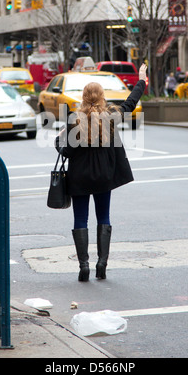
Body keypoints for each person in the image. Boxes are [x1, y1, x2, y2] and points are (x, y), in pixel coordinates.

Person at [54, 64, 147, 282]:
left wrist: (58, 140)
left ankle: (83, 265)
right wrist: (141, 79)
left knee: (80, 218)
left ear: (84, 97)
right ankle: (102, 264)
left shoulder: (74, 119)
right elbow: (131, 103)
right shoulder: (111, 116)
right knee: (103, 216)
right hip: (104, 175)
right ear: (102, 96)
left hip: (78, 177)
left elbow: (65, 151)